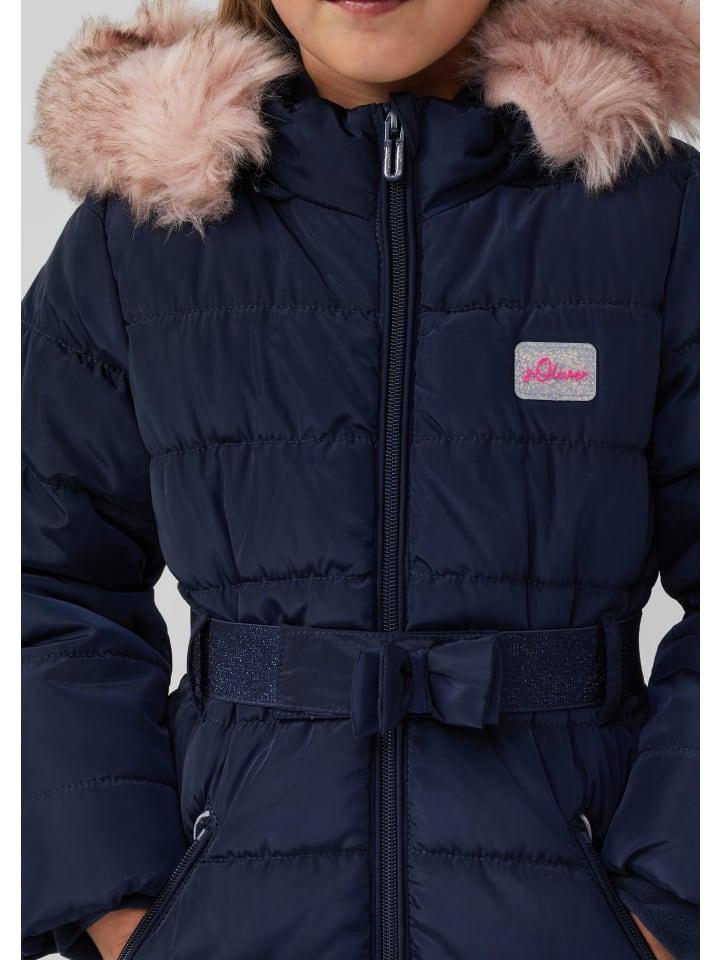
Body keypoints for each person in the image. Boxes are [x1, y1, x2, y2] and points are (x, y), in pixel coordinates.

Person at [22, 0, 699, 958]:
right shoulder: (143, 235)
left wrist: (671, 905)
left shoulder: (655, 220)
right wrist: (120, 907)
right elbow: (44, 581)